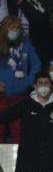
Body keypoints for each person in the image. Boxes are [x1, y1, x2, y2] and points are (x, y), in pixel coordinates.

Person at [0, 15, 42, 143]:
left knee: (18, 132)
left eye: (17, 28)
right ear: (4, 29)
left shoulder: (26, 45)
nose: (15, 30)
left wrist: (29, 81)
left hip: (20, 97)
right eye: (12, 27)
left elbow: (37, 64)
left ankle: (18, 162)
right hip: (1, 96)